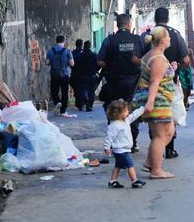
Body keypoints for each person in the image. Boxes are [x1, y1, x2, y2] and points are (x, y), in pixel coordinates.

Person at [142, 7, 190, 159]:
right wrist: (176, 67)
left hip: (149, 85)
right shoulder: (175, 35)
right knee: (169, 120)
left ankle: (154, 154)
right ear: (168, 19)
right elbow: (186, 60)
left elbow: (138, 58)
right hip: (167, 86)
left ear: (155, 19)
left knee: (157, 123)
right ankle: (167, 150)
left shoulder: (147, 36)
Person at [133, 26, 176, 179]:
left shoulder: (152, 55)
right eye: (168, 36)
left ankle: (150, 162)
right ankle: (156, 170)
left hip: (161, 101)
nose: (170, 39)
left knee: (169, 131)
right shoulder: (158, 58)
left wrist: (172, 69)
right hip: (158, 101)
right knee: (160, 136)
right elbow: (154, 82)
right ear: (163, 40)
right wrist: (150, 103)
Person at [97, 14, 143, 152]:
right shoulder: (138, 40)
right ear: (129, 24)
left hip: (114, 82)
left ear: (117, 25)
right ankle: (133, 143)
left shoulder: (109, 40)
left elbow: (99, 61)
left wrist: (109, 65)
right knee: (131, 112)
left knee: (114, 110)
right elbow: (146, 59)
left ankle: (114, 142)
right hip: (133, 83)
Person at [103, 100, 146, 188]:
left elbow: (134, 115)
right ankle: (135, 181)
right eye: (126, 111)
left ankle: (113, 181)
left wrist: (143, 109)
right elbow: (109, 138)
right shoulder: (114, 125)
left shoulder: (125, 120)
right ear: (118, 113)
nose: (128, 112)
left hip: (124, 149)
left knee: (118, 166)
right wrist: (106, 148)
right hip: (120, 150)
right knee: (130, 165)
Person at [46, 35, 74, 117]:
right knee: (65, 93)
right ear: (63, 41)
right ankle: (63, 111)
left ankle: (57, 101)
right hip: (65, 75)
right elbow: (72, 63)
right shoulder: (67, 51)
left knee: (54, 91)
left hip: (54, 74)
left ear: (56, 41)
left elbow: (47, 62)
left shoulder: (51, 50)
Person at [75, 40, 98, 111]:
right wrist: (95, 70)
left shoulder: (80, 56)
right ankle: (89, 105)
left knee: (83, 89)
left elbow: (76, 65)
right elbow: (98, 64)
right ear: (90, 47)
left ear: (84, 46)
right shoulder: (94, 55)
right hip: (92, 75)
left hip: (83, 75)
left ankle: (85, 102)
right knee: (91, 91)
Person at [70, 39, 83, 110]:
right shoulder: (83, 53)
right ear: (82, 45)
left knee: (76, 89)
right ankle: (79, 104)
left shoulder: (72, 52)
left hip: (74, 73)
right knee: (80, 89)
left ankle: (78, 104)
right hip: (81, 73)